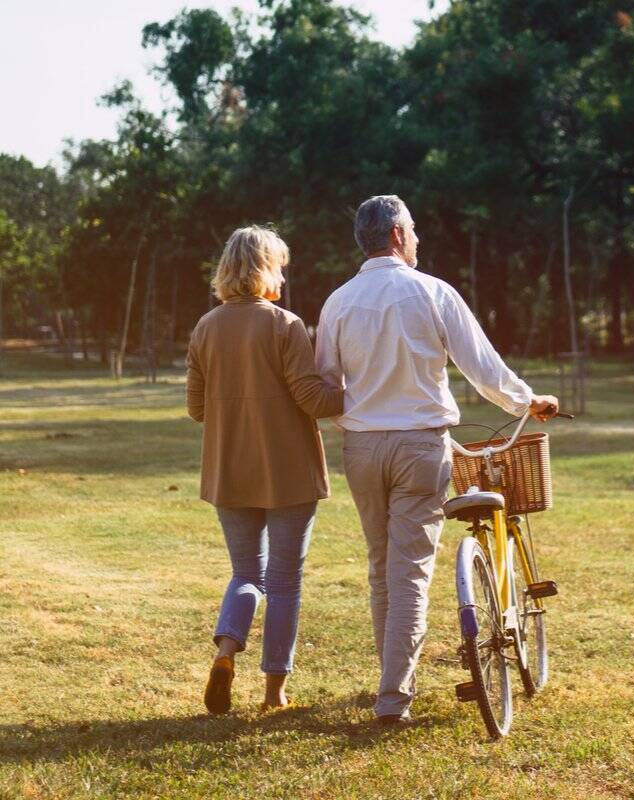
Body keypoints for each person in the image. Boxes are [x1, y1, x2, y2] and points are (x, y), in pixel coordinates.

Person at [315, 195, 558, 724]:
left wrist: (360, 407)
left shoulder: (337, 302)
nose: (418, 238)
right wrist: (526, 401)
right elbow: (483, 368)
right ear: (398, 235)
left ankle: (390, 680)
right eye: (415, 230)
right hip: (420, 446)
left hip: (361, 448)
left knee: (382, 566)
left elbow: (326, 382)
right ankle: (392, 697)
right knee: (410, 573)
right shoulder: (431, 292)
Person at [186, 226, 344, 714]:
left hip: (230, 472)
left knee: (245, 574)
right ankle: (274, 692)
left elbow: (197, 408)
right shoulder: (285, 324)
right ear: (265, 268)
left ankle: (226, 649)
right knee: (284, 583)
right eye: (280, 266)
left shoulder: (205, 327)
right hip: (289, 472)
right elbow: (313, 399)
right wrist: (366, 387)